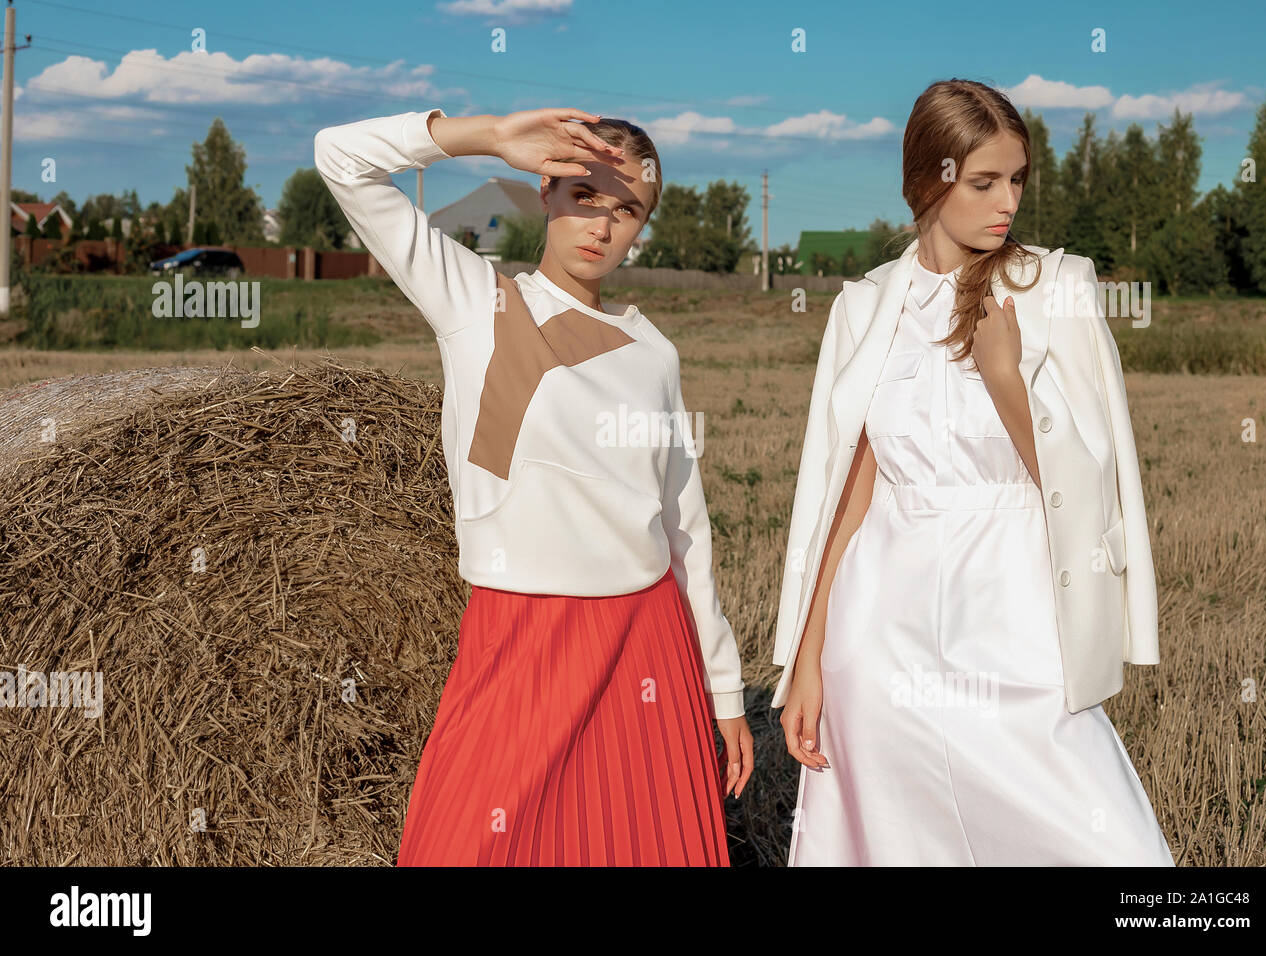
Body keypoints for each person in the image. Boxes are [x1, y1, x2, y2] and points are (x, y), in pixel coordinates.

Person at [314, 105, 753, 865]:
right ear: (546, 191)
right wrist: (486, 136)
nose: (603, 225)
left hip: (647, 647)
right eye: (585, 195)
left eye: (628, 209)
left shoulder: (654, 353)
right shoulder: (478, 305)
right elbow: (339, 157)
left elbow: (686, 529)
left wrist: (723, 689)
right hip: (517, 641)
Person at [769, 79, 1175, 866]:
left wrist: (1004, 377)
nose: (1007, 203)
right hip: (879, 634)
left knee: (1115, 849)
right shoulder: (863, 305)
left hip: (1019, 625)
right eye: (984, 181)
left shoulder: (1057, 287)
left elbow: (1081, 487)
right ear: (929, 180)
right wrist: (810, 659)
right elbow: (847, 498)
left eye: (1017, 180)